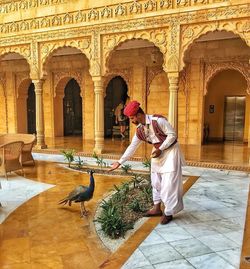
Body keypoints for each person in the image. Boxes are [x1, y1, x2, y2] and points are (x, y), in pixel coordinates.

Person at [109, 100, 185, 225]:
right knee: (156, 181)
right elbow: (132, 147)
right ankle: (156, 208)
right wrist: (119, 162)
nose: (132, 121)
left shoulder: (158, 121)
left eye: (132, 117)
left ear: (139, 115)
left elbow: (172, 135)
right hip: (157, 151)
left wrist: (161, 148)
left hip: (171, 151)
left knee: (169, 184)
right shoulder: (140, 130)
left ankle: (169, 212)